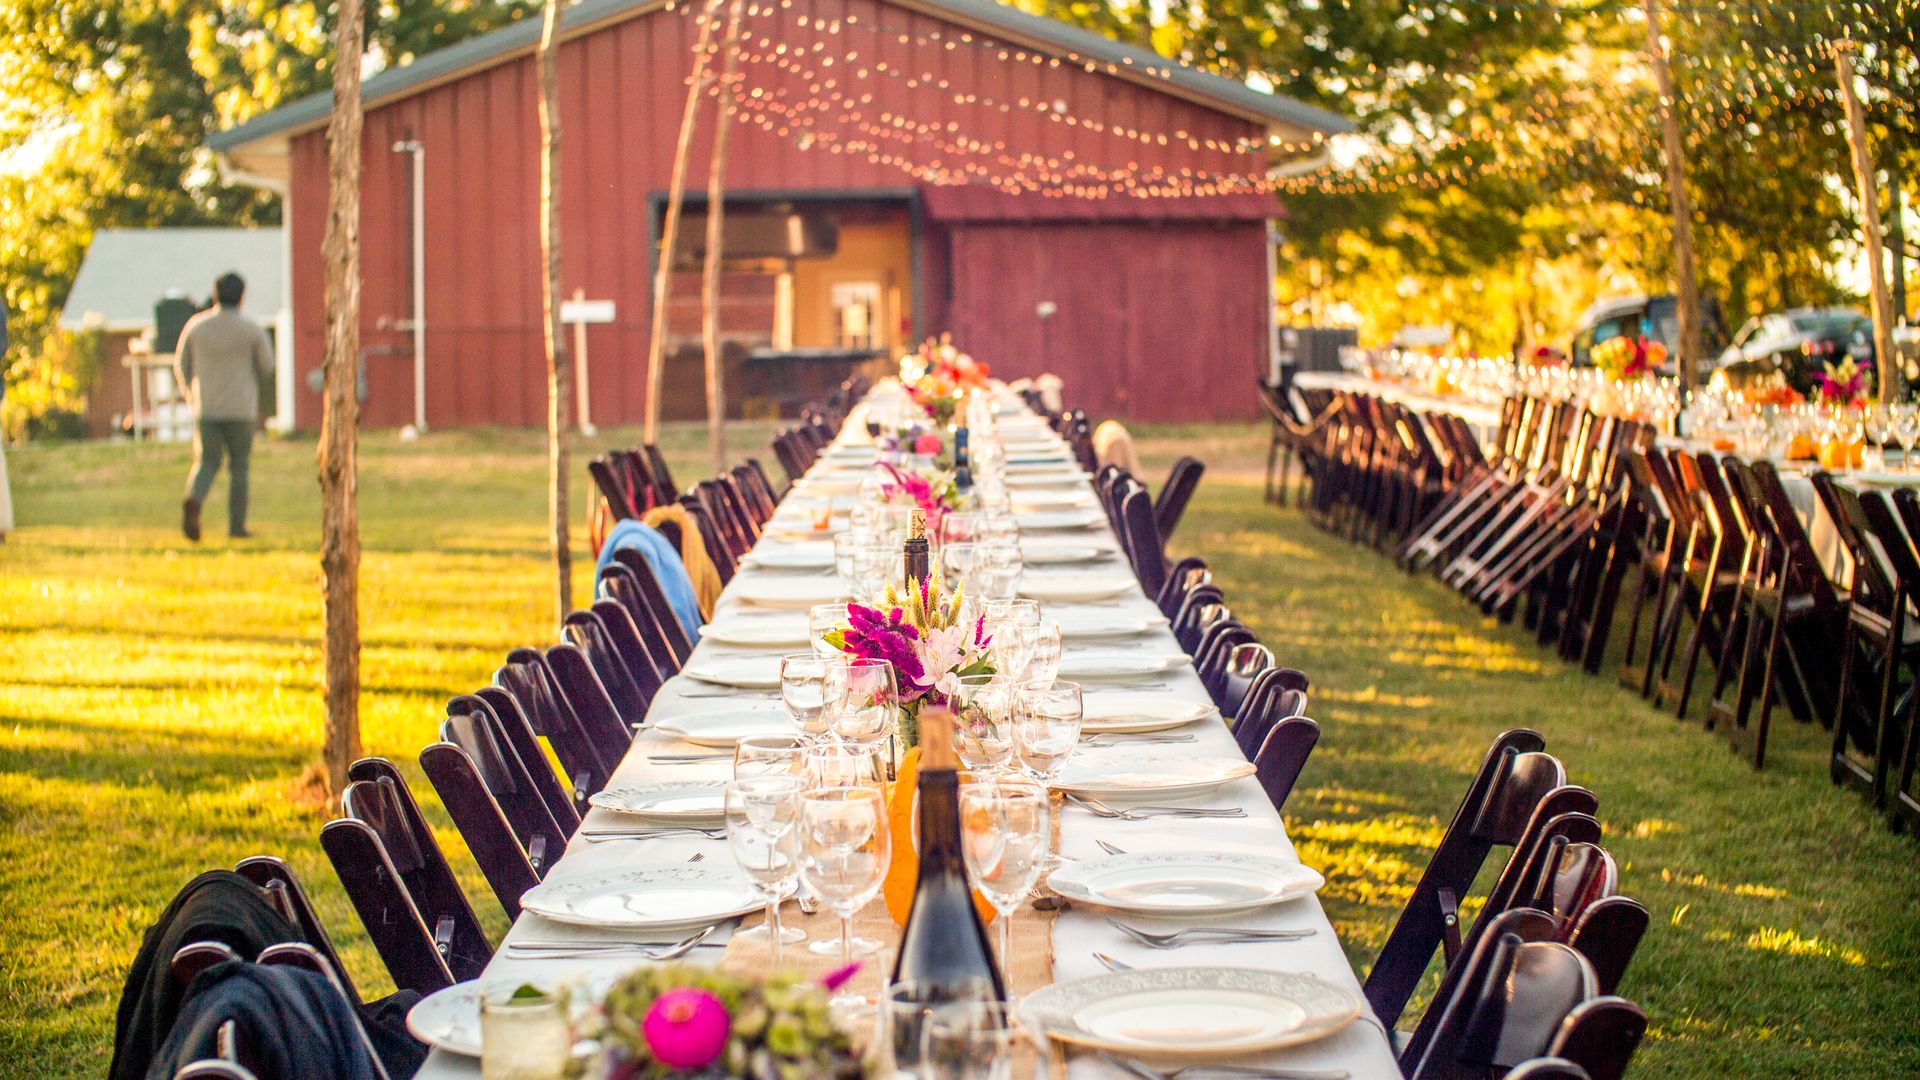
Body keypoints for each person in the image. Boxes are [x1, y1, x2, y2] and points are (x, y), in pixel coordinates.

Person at [176, 272, 273, 540]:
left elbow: (181, 365)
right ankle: (237, 527)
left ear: (215, 294)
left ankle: (194, 499)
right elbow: (267, 365)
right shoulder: (251, 329)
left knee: (206, 462)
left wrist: (190, 393)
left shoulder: (196, 327)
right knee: (239, 468)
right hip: (241, 409)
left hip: (206, 407)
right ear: (242, 296)